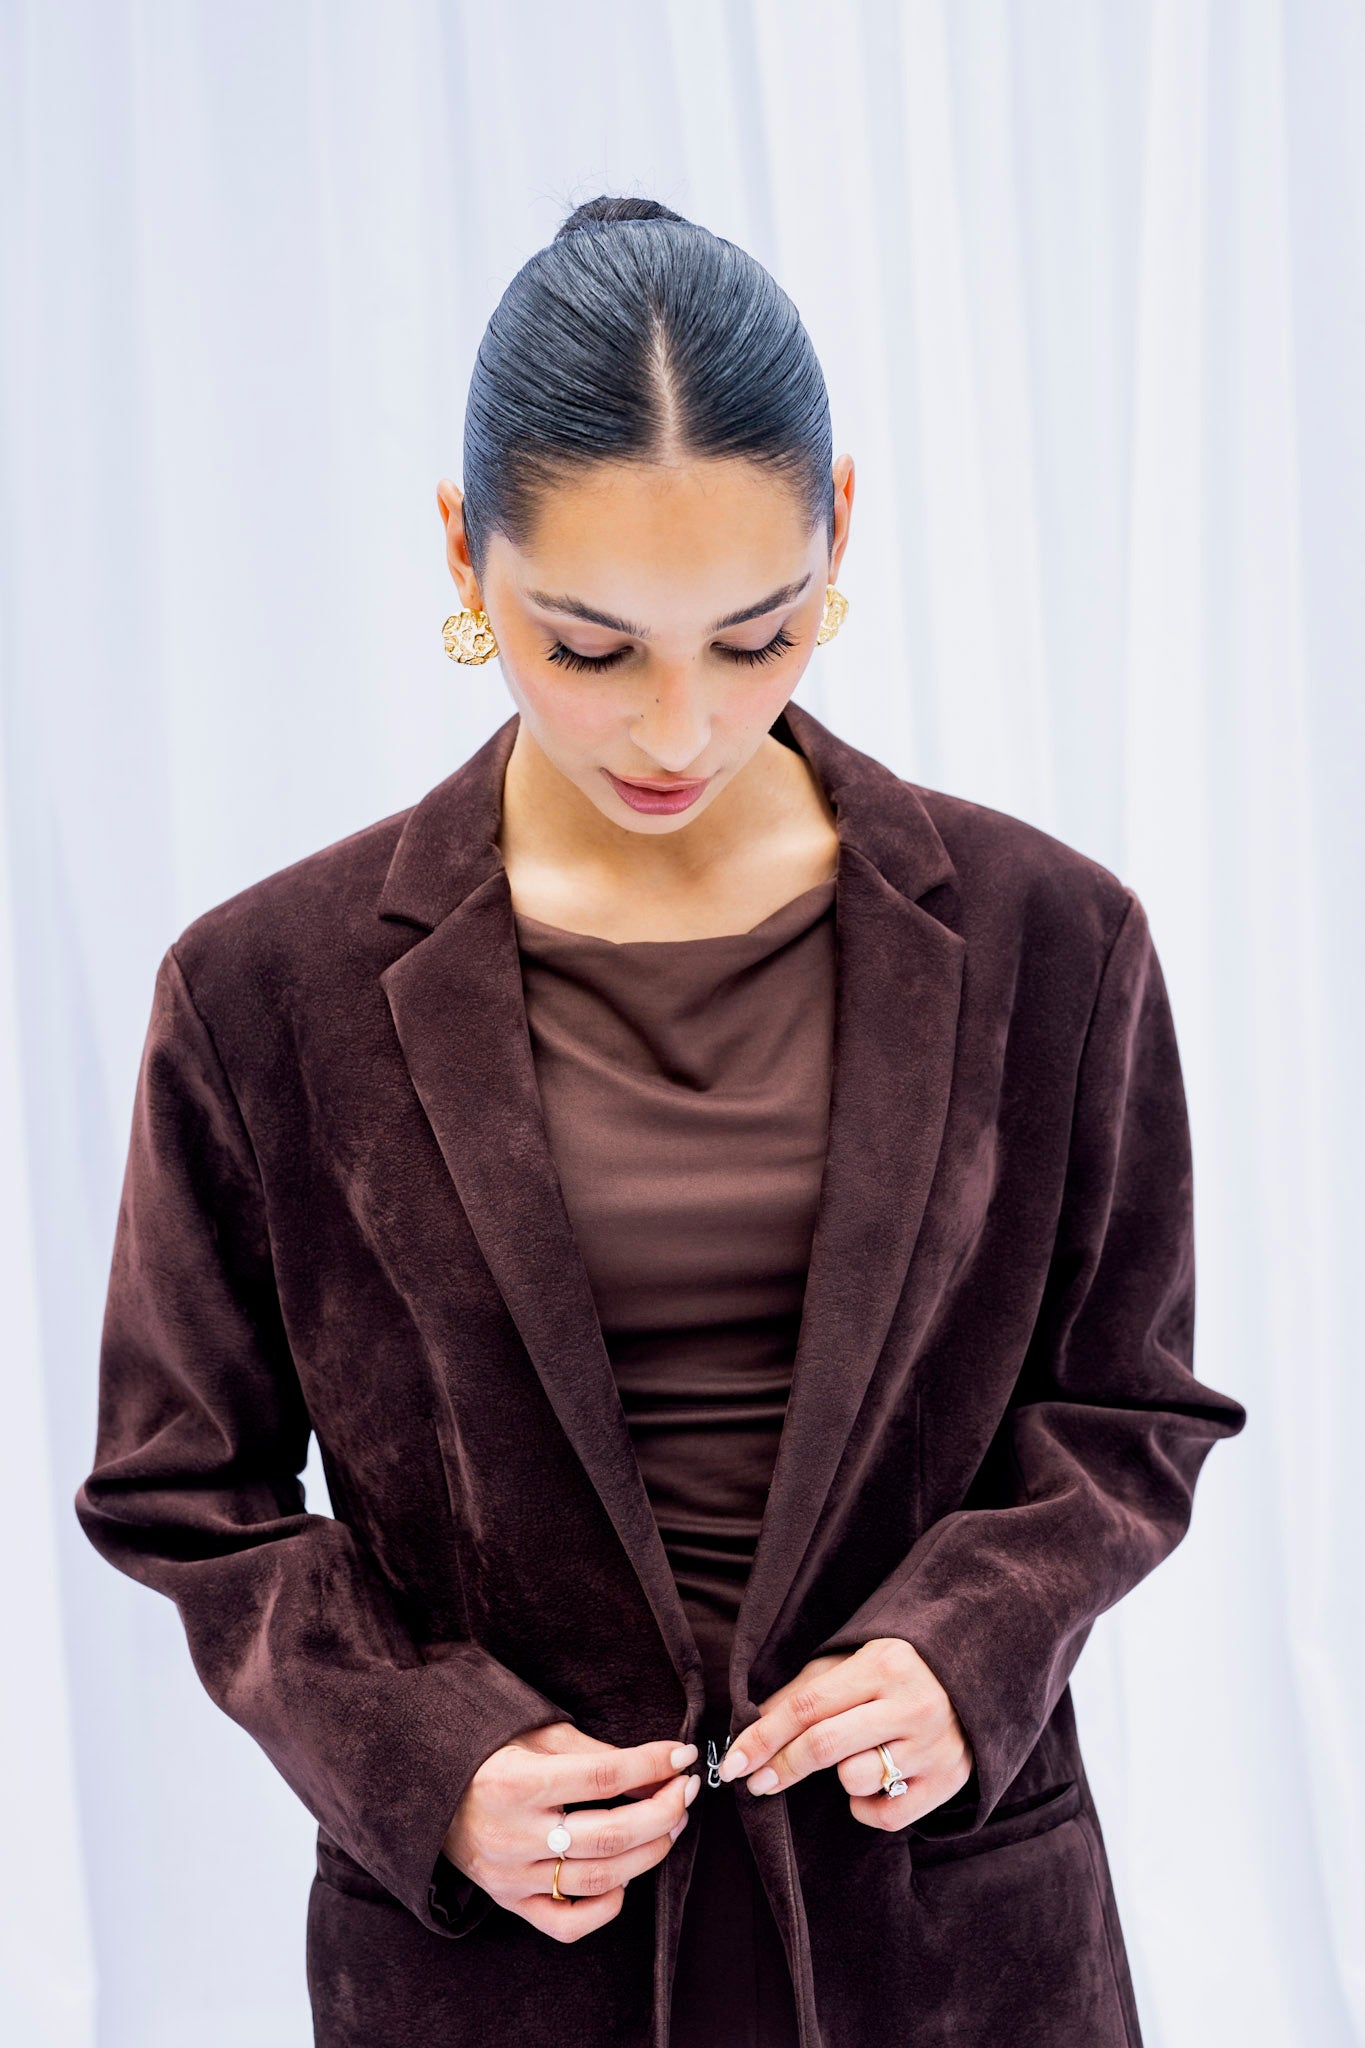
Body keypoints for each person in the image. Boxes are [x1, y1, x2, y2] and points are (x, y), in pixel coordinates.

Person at [75, 193, 1247, 2048]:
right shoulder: (263, 993)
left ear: (839, 524)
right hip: (505, 1970)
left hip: (948, 1951)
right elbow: (182, 1486)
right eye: (591, 647)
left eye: (758, 635)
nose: (678, 731)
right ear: (462, 550)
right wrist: (426, 1762)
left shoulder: (1054, 939)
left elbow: (1127, 1403)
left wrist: (971, 1647)